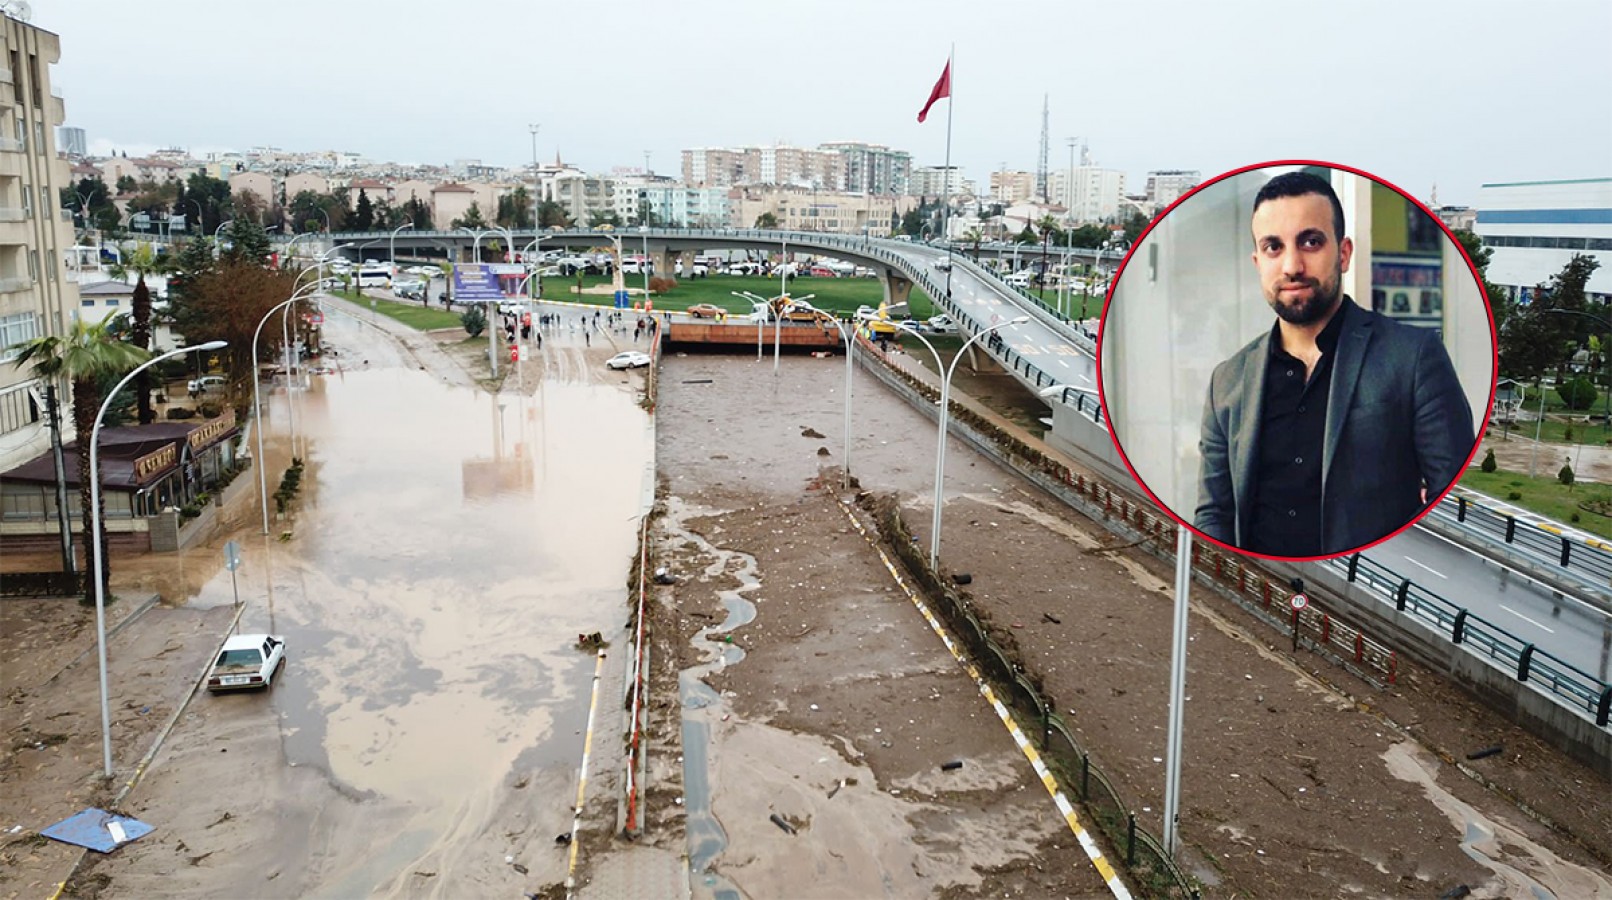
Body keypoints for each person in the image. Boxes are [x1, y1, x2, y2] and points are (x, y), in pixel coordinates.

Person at [1194, 171, 1472, 558]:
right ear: (1258, 262)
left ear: (1343, 253)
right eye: (1274, 247)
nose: (1292, 266)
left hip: (1364, 590)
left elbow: (1451, 497)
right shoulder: (1227, 381)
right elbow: (1214, 512)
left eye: (1310, 242)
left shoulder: (1412, 356)